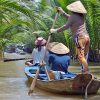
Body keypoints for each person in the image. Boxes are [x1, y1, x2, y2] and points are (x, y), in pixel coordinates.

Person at [50, 1, 90, 74]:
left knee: (80, 57)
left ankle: (87, 72)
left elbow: (66, 26)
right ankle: (84, 71)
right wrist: (63, 13)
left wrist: (55, 30)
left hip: (80, 38)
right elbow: (71, 18)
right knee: (85, 56)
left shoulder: (73, 17)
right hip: (87, 37)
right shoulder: (81, 16)